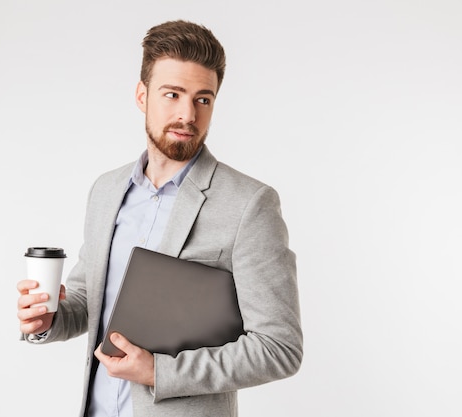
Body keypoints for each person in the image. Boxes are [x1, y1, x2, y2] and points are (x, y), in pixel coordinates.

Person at [16, 19, 303, 417]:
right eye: (173, 94)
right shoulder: (106, 191)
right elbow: (88, 301)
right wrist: (49, 319)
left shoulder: (250, 204)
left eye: (203, 99)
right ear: (141, 95)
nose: (188, 115)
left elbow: (279, 348)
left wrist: (160, 372)